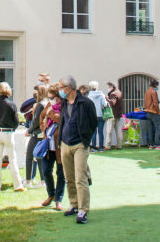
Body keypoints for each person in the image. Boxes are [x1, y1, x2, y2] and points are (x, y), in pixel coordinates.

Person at [57, 75, 97, 224]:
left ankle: (83, 210)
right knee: (69, 177)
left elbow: (93, 122)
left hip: (80, 144)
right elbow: (63, 119)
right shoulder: (64, 102)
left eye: (61, 87)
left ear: (69, 88)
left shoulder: (85, 103)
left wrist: (86, 139)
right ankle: (74, 204)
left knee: (80, 177)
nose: (60, 90)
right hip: (65, 143)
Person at [0, 82, 25, 192]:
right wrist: (13, 129)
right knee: (12, 159)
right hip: (8, 133)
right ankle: (17, 185)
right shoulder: (12, 104)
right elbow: (16, 121)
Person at [38, 86, 66, 210]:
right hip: (48, 145)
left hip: (60, 145)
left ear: (58, 97)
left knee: (61, 173)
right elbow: (41, 116)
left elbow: (63, 120)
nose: (50, 100)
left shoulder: (66, 106)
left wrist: (51, 114)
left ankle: (58, 199)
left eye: (52, 97)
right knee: (46, 170)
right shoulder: (49, 105)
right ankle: (51, 194)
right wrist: (43, 128)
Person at [24, 85, 48, 188]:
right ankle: (42, 181)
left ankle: (29, 180)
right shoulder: (46, 104)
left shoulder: (40, 105)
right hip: (41, 133)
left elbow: (36, 121)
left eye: (37, 92)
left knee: (30, 156)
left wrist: (29, 131)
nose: (35, 94)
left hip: (37, 134)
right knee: (39, 158)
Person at [88, 81, 109, 152]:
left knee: (93, 132)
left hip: (92, 116)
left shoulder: (89, 95)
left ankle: (93, 147)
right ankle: (101, 148)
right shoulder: (101, 94)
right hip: (101, 115)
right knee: (101, 132)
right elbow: (105, 104)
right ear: (97, 87)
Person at [143, 79, 160, 148]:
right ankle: (157, 143)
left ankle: (151, 144)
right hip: (153, 111)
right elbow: (155, 103)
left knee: (150, 128)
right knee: (158, 127)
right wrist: (158, 111)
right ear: (155, 85)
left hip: (147, 111)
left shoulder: (147, 91)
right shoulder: (153, 92)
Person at [105, 82, 124, 150]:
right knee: (118, 130)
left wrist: (107, 99)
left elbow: (113, 102)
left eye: (108, 87)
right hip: (118, 114)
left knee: (109, 130)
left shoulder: (113, 94)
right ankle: (119, 145)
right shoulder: (119, 93)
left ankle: (107, 145)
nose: (107, 89)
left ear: (111, 87)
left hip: (112, 114)